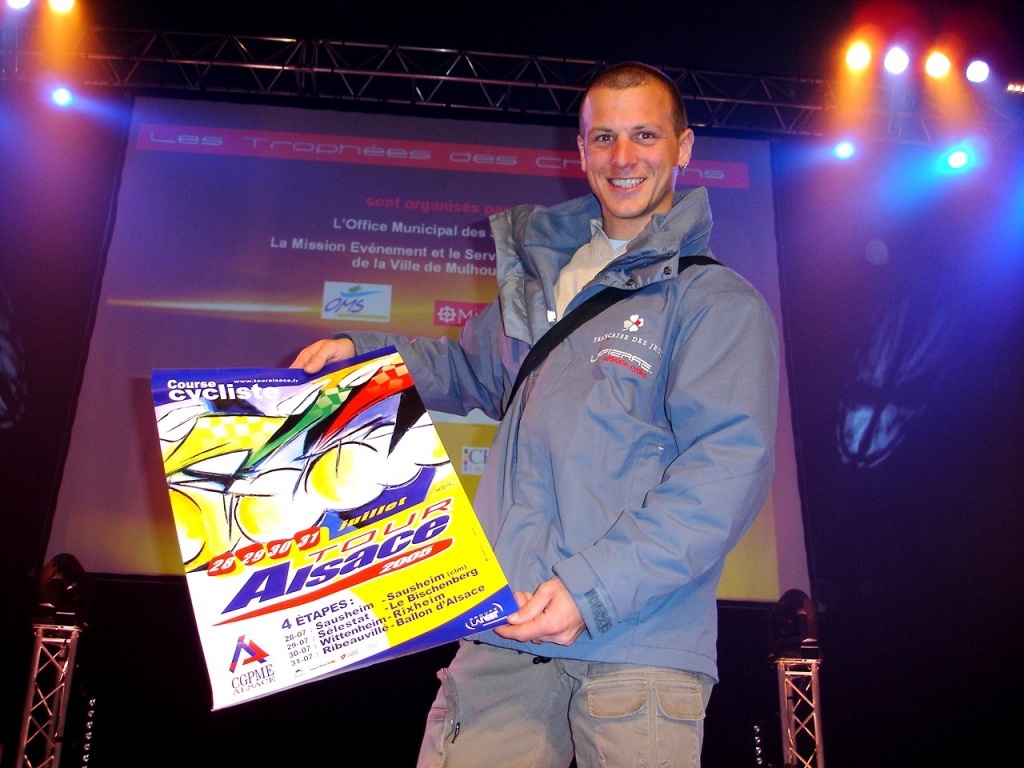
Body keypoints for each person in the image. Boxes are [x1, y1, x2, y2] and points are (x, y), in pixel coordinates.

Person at [292, 61, 779, 768]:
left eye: (644, 134)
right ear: (580, 152)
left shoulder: (712, 302)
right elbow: (462, 369)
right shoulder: (543, 288)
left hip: (638, 646)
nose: (623, 157)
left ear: (683, 147)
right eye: (603, 137)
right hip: (505, 630)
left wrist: (591, 589)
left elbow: (723, 477)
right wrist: (358, 354)